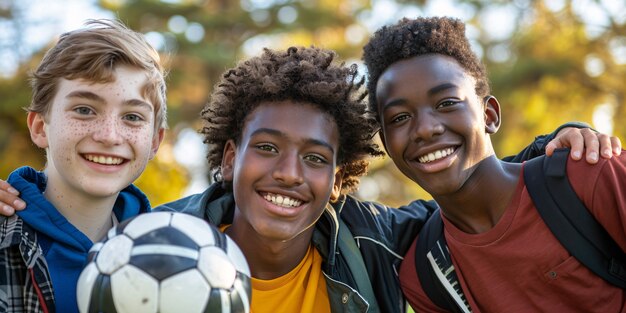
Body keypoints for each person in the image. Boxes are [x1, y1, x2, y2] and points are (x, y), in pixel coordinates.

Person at [0, 44, 618, 313]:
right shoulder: (157, 245)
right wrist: (21, 194)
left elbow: (473, 195)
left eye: (317, 158)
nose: (289, 175)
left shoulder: (381, 245)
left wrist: (553, 146)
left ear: (342, 176)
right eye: (266, 148)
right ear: (229, 157)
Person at [362, 16, 625, 312]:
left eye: (447, 103)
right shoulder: (426, 276)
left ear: (489, 116)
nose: (425, 129)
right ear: (386, 144)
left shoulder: (590, 171)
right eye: (400, 118)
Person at [0, 19, 166, 313]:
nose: (109, 136)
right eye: (84, 110)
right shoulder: (5, 240)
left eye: (132, 117)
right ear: (40, 127)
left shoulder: (177, 251)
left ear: (155, 140)